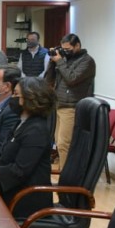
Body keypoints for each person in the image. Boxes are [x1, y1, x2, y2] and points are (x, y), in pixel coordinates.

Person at [0, 76, 56, 219]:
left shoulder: (36, 130)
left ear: (31, 98)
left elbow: (18, 172)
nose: (12, 98)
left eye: (16, 94)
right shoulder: (22, 122)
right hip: (13, 190)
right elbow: (6, 150)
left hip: (26, 200)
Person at [45, 33, 96, 170]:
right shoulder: (65, 60)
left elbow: (72, 79)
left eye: (68, 49)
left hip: (72, 106)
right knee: (58, 141)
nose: (66, 51)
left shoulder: (87, 61)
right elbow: (49, 80)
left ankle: (66, 175)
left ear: (77, 45)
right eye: (63, 49)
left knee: (64, 143)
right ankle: (63, 169)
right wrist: (52, 61)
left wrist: (60, 61)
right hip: (59, 104)